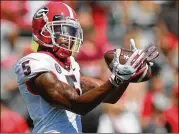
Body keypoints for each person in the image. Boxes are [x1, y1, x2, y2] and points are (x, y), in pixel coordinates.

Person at [14, 2, 156, 133]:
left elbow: (111, 96)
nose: (68, 38)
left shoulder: (70, 65)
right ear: (42, 30)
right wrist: (116, 79)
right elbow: (76, 104)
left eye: (71, 32)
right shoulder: (35, 62)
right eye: (61, 30)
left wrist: (129, 72)